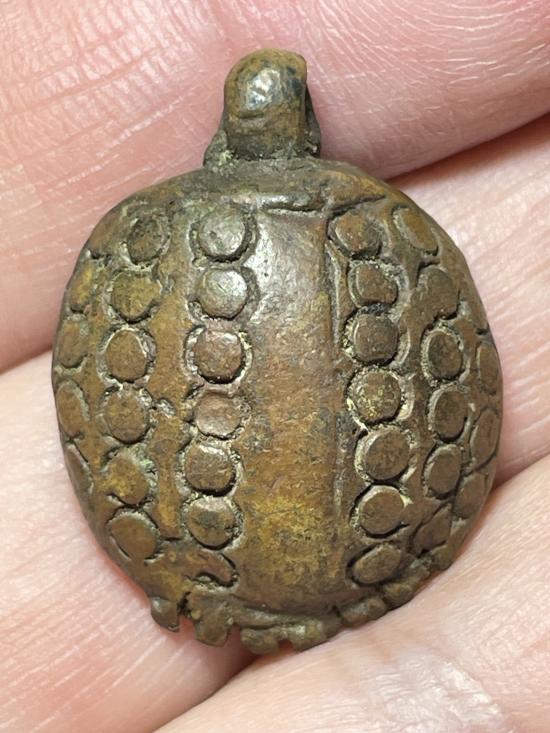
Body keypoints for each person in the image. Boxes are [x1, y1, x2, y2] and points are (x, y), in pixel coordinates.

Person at [1, 1, 549, 731]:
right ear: (309, 127)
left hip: (242, 566)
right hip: (333, 560)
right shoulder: (390, 226)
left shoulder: (146, 231)